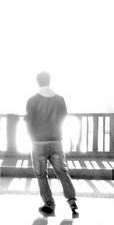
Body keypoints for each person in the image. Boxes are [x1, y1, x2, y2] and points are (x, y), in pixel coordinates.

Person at [26, 71, 78, 217]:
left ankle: (49, 204)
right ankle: (72, 202)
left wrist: (32, 137)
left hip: (38, 143)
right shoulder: (60, 99)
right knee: (62, 172)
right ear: (49, 81)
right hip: (56, 141)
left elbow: (29, 122)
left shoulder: (32, 100)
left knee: (41, 175)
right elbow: (63, 116)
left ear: (38, 82)